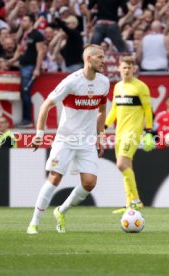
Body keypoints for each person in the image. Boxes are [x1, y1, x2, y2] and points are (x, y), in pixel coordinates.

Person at [27, 44, 109, 234]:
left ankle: (61, 211)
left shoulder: (104, 82)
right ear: (89, 59)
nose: (104, 61)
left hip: (87, 140)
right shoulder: (71, 82)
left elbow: (102, 111)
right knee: (55, 178)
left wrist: (100, 136)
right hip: (66, 138)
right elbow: (45, 106)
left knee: (89, 183)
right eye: (100, 57)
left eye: (104, 57)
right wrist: (39, 135)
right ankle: (34, 223)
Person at [104, 56, 153, 214]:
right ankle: (129, 203)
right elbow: (114, 110)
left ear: (134, 69)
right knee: (126, 167)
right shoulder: (118, 87)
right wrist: (104, 125)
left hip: (133, 132)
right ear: (119, 69)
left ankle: (136, 200)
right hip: (119, 132)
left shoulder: (141, 87)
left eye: (129, 68)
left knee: (121, 164)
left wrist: (149, 131)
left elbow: (147, 110)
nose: (126, 70)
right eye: (124, 67)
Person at [8, 14, 45, 128]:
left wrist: (37, 68)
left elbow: (41, 51)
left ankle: (27, 119)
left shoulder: (36, 34)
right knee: (24, 92)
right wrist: (11, 61)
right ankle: (26, 118)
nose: (22, 22)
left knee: (25, 92)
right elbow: (20, 50)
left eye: (24, 20)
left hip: (30, 66)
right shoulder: (24, 35)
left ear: (31, 22)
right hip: (23, 65)